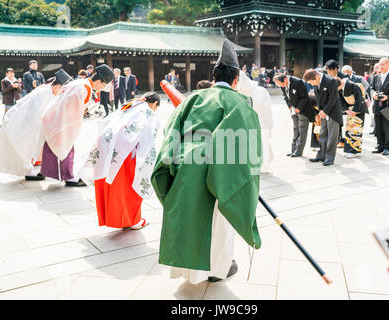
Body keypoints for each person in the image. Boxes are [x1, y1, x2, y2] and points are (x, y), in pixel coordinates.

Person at [151, 40, 262, 285]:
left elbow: (171, 133)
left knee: (188, 219)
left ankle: (188, 271)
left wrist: (171, 166)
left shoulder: (194, 99)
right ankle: (215, 269)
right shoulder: (241, 103)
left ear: (214, 77)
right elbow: (246, 148)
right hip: (217, 172)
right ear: (236, 80)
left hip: (184, 167)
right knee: (217, 225)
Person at [80, 93, 160, 230]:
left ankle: (117, 219)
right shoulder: (148, 112)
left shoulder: (130, 105)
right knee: (129, 188)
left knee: (114, 186)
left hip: (109, 149)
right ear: (154, 104)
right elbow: (148, 140)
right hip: (127, 154)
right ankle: (133, 220)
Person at [40, 64, 115, 187]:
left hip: (55, 119)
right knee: (65, 146)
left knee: (60, 147)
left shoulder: (82, 84)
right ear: (99, 82)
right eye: (103, 85)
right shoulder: (83, 88)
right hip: (62, 122)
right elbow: (71, 111)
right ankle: (68, 177)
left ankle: (62, 174)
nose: (102, 88)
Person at [0, 69, 71, 180]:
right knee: (22, 146)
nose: (60, 93)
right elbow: (36, 115)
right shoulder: (44, 93)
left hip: (21, 120)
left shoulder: (46, 91)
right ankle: (27, 170)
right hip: (20, 122)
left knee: (24, 146)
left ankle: (28, 168)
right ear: (57, 86)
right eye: (61, 89)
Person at [303, 69, 343, 166]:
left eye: (311, 82)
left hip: (333, 112)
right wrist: (320, 111)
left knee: (332, 137)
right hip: (323, 112)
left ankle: (329, 158)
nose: (312, 84)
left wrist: (325, 111)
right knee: (322, 135)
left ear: (316, 77)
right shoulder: (317, 83)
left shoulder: (331, 80)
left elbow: (333, 98)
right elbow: (317, 98)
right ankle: (321, 156)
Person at [237, 71, 274, 173]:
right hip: (253, 122)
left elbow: (256, 106)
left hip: (263, 122)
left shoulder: (260, 91)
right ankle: (264, 160)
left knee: (264, 143)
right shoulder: (243, 92)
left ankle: (264, 166)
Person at [274, 73, 317, 157]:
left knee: (302, 130)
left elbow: (305, 97)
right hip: (293, 111)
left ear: (285, 79)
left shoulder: (298, 82)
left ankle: (298, 151)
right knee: (295, 129)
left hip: (303, 110)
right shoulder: (282, 85)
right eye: (280, 85)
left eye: (282, 84)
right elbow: (285, 96)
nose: (282, 86)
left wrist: (299, 108)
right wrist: (289, 106)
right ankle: (293, 150)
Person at [370, 58, 389, 156]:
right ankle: (380, 146)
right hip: (377, 105)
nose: (381, 66)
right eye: (380, 64)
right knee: (378, 127)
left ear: (388, 65)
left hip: (388, 105)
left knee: (388, 126)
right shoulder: (376, 76)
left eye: (383, 64)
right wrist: (374, 94)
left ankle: (387, 147)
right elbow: (372, 88)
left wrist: (388, 97)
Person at [337, 77, 368, 158]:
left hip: (358, 110)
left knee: (356, 130)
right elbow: (341, 101)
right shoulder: (340, 88)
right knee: (348, 130)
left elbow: (359, 99)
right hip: (350, 111)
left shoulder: (354, 86)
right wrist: (346, 110)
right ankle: (349, 149)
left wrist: (354, 110)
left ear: (341, 84)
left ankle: (355, 151)